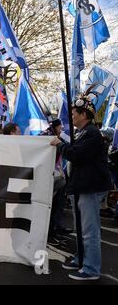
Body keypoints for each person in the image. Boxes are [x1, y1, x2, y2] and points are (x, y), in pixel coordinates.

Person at [50, 95, 112, 280]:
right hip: (81, 187)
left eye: (74, 113)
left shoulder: (92, 133)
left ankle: (91, 268)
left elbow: (76, 155)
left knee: (89, 230)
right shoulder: (84, 133)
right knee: (81, 227)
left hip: (89, 188)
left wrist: (61, 145)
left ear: (84, 114)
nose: (71, 116)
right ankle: (82, 258)